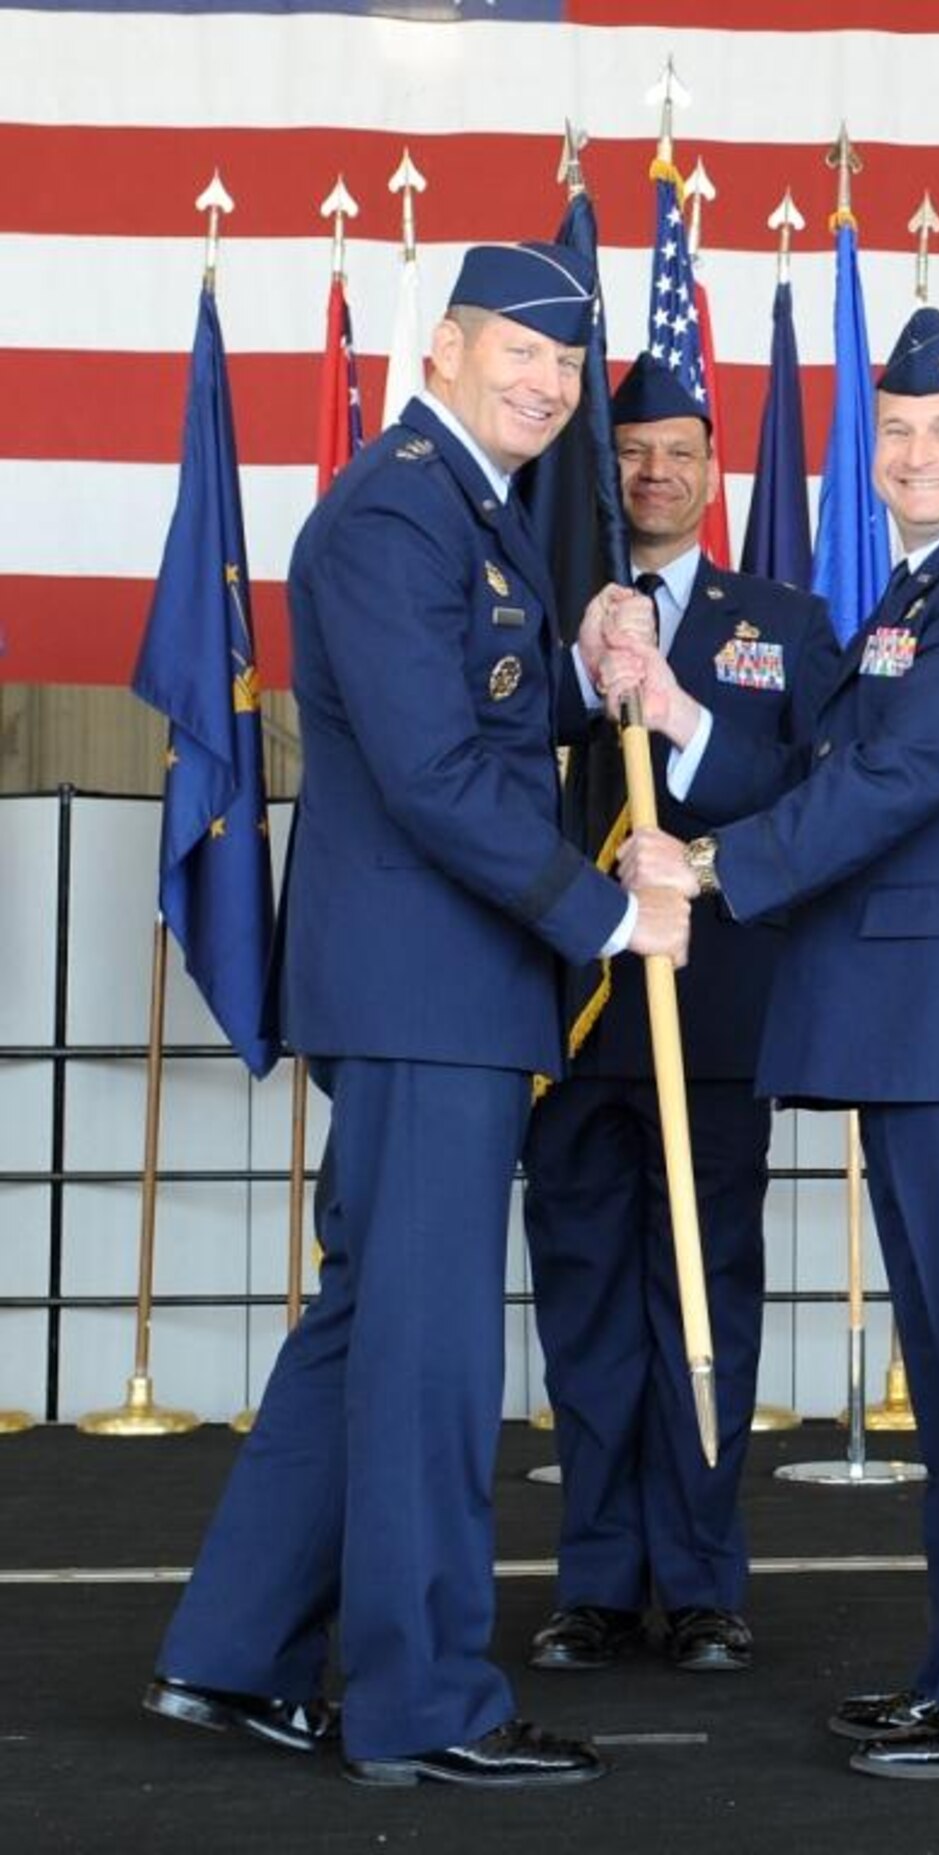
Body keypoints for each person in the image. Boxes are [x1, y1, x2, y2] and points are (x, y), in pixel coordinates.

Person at [142, 243, 690, 1791]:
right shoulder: (397, 505)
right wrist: (605, 915)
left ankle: (230, 1654)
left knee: (369, 1325)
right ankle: (425, 1699)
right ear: (442, 348)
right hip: (428, 996)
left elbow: (486, 712)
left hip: (441, 991)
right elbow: (438, 775)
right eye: (519, 352)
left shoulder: (467, 509)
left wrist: (587, 677)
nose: (548, 384)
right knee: (432, 1360)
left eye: (567, 367)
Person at [608, 305, 939, 1781]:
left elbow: (893, 778)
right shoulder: (913, 590)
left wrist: (705, 870)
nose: (915, 454)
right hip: (921, 1035)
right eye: (895, 433)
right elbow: (805, 757)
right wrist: (673, 710)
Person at [521, 354, 838, 1678]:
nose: (656, 474)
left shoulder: (783, 623)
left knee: (705, 1301)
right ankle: (596, 1582)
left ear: (717, 469)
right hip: (566, 1022)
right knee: (587, 1311)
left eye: (681, 453)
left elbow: (805, 797)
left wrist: (675, 709)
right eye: (632, 452)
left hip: (708, 1023)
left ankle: (703, 1581)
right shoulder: (536, 607)